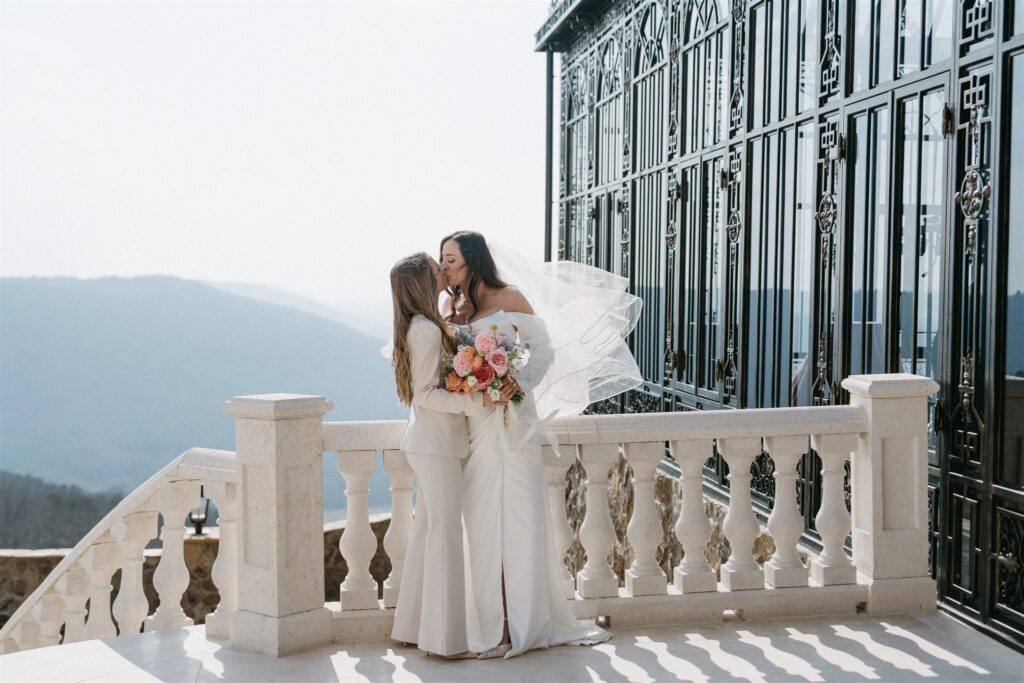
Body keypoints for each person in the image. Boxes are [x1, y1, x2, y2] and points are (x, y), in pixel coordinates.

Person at [439, 230, 640, 659]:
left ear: (473, 259)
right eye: (442, 261)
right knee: (480, 524)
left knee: (520, 521)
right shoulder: (449, 307)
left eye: (451, 259)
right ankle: (490, 625)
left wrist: (517, 382)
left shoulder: (509, 297)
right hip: (474, 428)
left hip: (513, 421)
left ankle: (520, 626)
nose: (445, 268)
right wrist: (464, 383)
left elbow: (543, 348)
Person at [387, 252, 512, 659]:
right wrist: (477, 399)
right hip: (435, 445)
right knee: (444, 536)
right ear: (422, 282)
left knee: (428, 533)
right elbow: (424, 394)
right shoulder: (424, 330)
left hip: (430, 443)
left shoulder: (423, 325)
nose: (443, 271)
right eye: (435, 269)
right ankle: (445, 642)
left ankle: (410, 627)